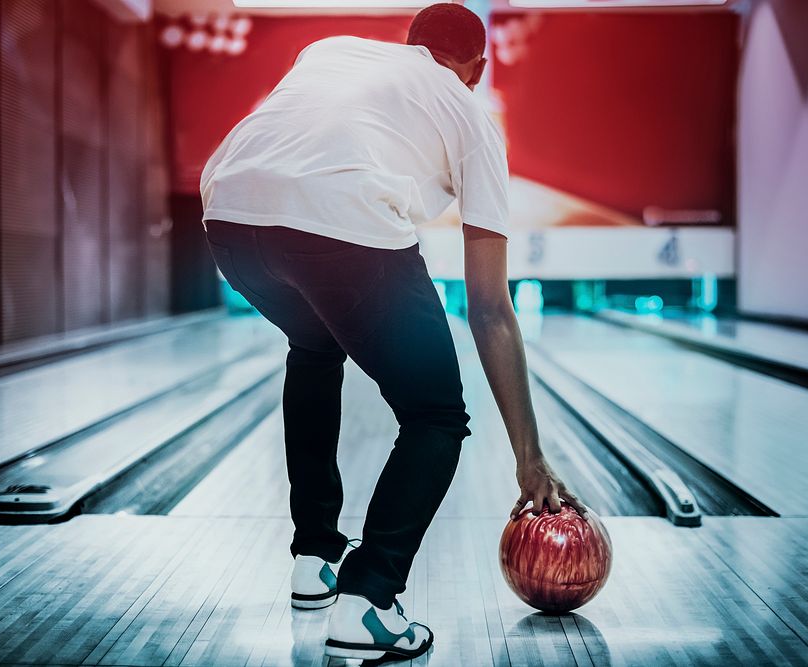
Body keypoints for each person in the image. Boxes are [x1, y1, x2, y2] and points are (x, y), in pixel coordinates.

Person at [200, 3, 585, 661]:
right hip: (345, 226)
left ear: (410, 43)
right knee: (435, 414)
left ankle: (315, 557)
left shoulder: (330, 50)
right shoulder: (471, 117)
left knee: (314, 346)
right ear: (478, 68)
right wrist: (529, 454)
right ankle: (368, 600)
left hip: (226, 220)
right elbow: (489, 308)